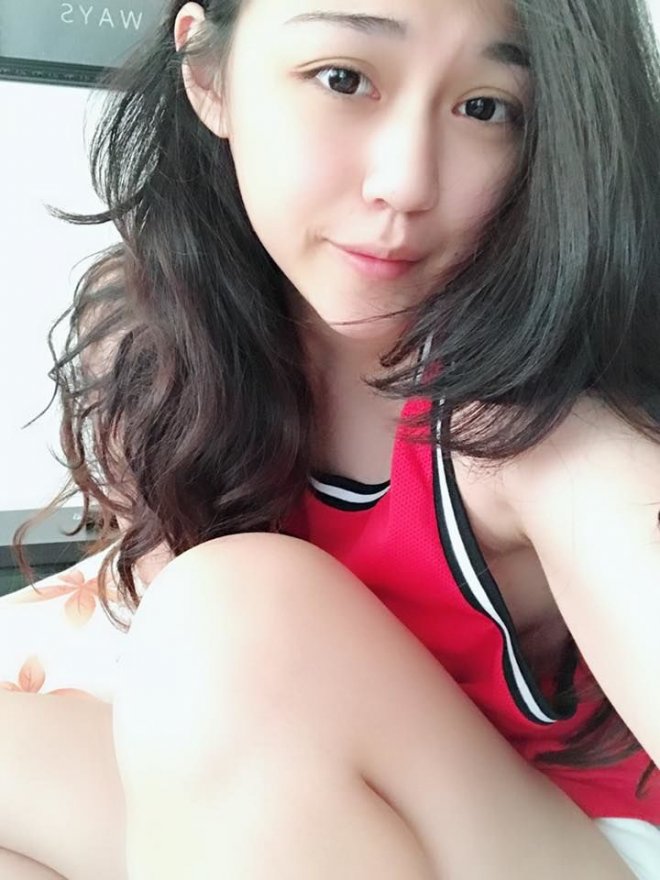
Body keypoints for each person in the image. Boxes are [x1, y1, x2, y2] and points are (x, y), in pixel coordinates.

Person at [3, 0, 660, 876]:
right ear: (208, 75)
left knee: (233, 611)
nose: (406, 181)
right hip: (321, 799)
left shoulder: (538, 430)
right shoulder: (159, 348)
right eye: (343, 79)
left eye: (485, 107)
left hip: (568, 835)